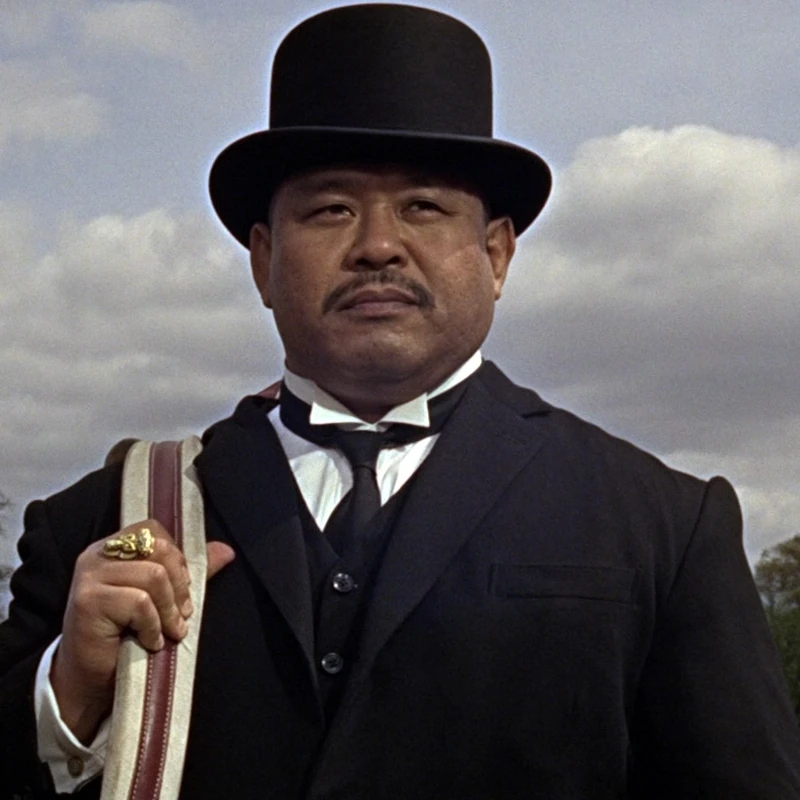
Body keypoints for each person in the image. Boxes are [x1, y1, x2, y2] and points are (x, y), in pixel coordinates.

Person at [1, 5, 799, 799]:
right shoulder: (100, 528)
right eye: (331, 210)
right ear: (263, 261)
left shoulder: (665, 527)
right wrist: (66, 697)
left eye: (423, 206)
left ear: (496, 254)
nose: (377, 245)